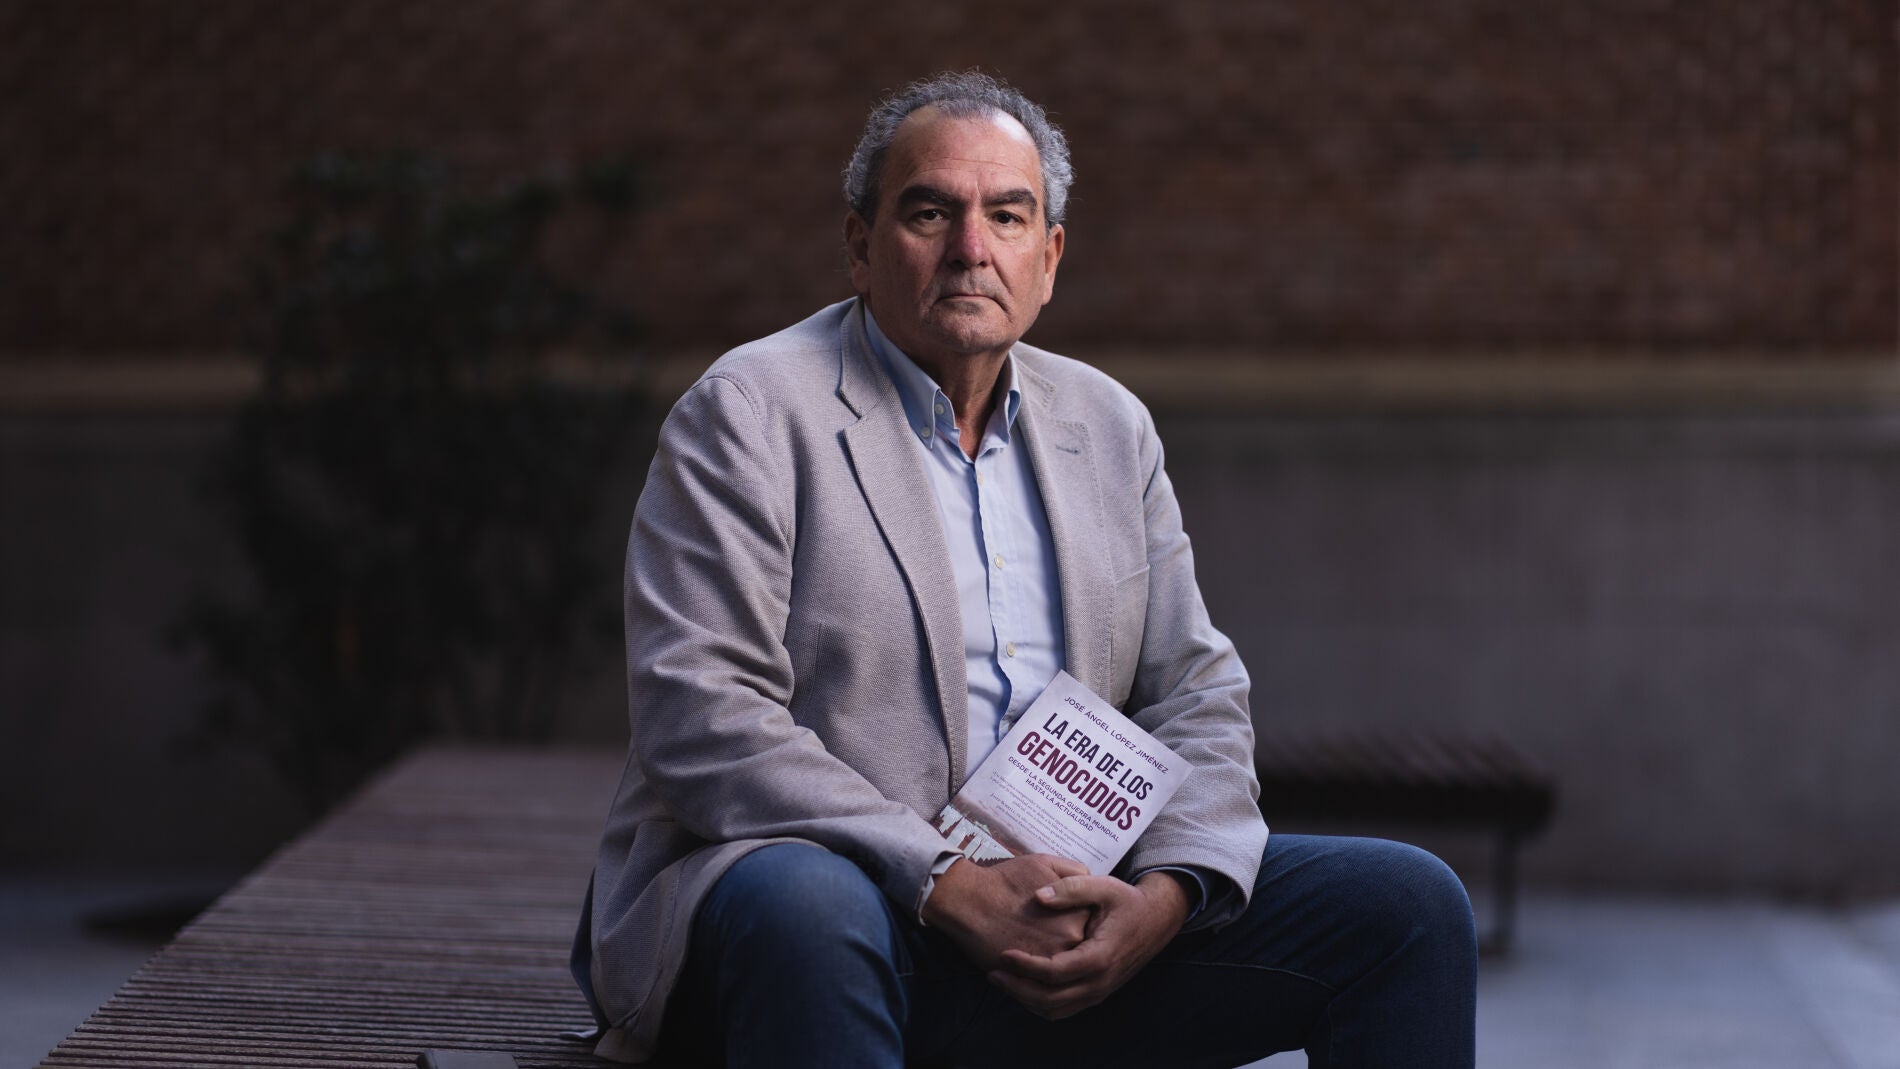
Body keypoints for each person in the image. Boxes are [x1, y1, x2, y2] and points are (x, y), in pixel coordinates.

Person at [574, 71, 1477, 1068]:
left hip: (1064, 923)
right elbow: (699, 711)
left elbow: (1196, 693)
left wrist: (1164, 897)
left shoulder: (1109, 427)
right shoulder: (749, 413)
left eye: (1007, 216)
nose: (971, 248)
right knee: (809, 904)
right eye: (930, 212)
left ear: (1047, 260)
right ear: (859, 247)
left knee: (1407, 907)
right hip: (831, 912)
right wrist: (946, 881)